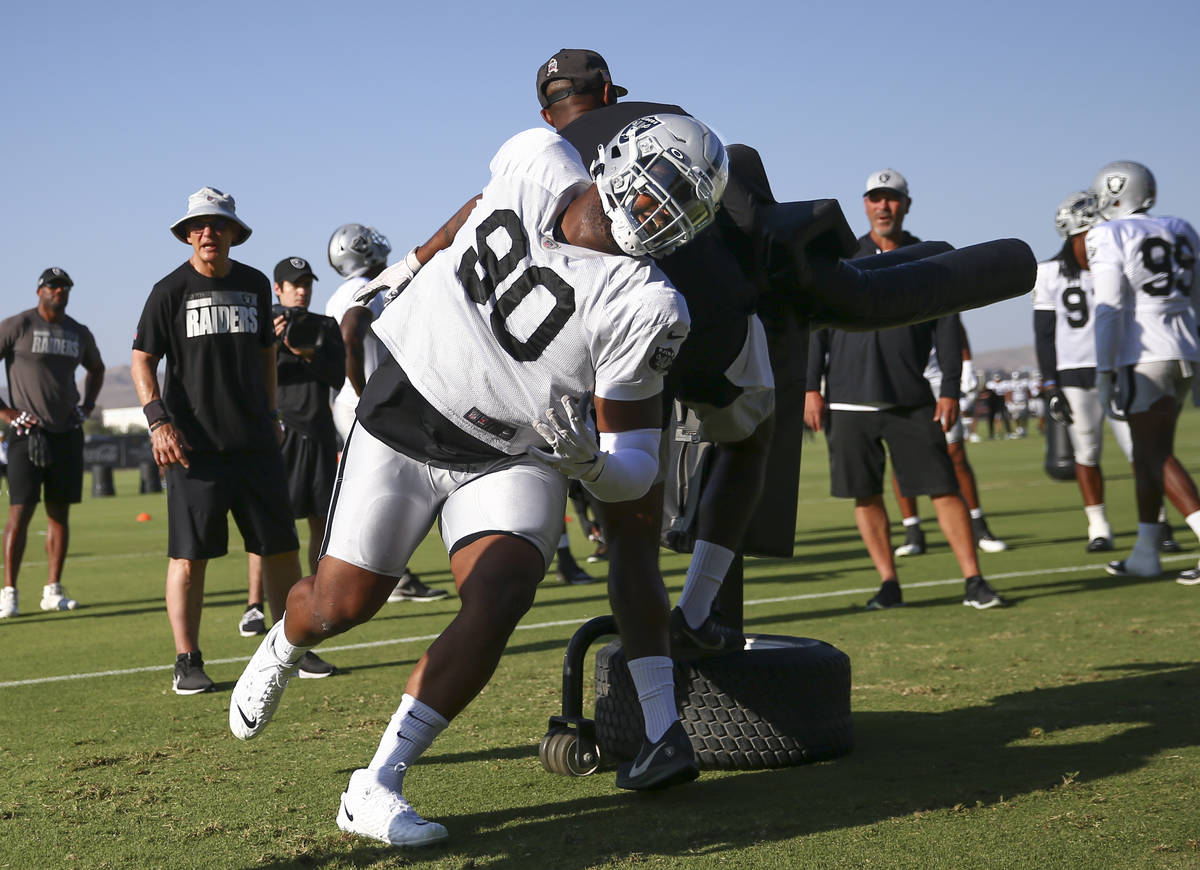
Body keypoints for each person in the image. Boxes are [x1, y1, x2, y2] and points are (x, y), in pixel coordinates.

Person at [229, 113, 729, 846]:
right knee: (338, 605)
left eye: (684, 208)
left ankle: (376, 783)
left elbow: (639, 468)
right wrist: (412, 263)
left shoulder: (647, 303)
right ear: (619, 164)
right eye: (660, 191)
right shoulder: (537, 156)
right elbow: (478, 203)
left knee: (503, 592)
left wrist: (590, 464)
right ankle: (284, 643)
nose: (665, 217)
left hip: (514, 449)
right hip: (407, 409)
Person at [131, 187, 336, 693]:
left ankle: (292, 649)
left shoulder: (251, 284)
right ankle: (187, 661)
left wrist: (270, 411)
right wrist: (158, 421)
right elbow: (141, 358)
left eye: (218, 225)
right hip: (194, 450)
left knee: (280, 548)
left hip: (256, 444)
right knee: (189, 557)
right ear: (186, 235)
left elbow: (267, 351)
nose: (208, 233)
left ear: (233, 234)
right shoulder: (168, 291)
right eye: (199, 226)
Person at [805, 168, 1008, 611]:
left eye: (892, 198)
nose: (884, 206)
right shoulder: (840, 255)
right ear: (864, 204)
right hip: (845, 398)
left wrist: (951, 389)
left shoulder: (926, 257)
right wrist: (809, 389)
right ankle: (888, 584)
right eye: (876, 198)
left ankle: (974, 580)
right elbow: (815, 325)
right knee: (866, 493)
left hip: (910, 397)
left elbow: (949, 325)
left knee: (944, 488)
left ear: (906, 205)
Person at [1086, 161, 1200, 584]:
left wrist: (1104, 370)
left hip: (1144, 353)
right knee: (1149, 456)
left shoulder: (1107, 233)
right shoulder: (1181, 227)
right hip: (1187, 346)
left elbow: (1109, 309)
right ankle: (1146, 551)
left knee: (1153, 454)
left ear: (1114, 192)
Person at [324, 224, 448, 604]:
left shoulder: (336, 294)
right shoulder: (369, 286)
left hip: (348, 403)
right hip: (364, 405)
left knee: (381, 491)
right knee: (397, 491)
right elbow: (349, 333)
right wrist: (364, 393)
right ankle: (385, 577)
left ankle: (393, 576)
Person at [240, 257, 346, 640]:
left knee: (320, 521)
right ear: (278, 288)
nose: (301, 290)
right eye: (293, 284)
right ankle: (254, 606)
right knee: (267, 525)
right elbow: (246, 373)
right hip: (278, 438)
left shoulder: (324, 326)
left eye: (306, 284)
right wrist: (268, 339)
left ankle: (315, 599)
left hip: (317, 436)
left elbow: (338, 376)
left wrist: (306, 353)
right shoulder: (260, 324)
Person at [0, 267, 104, 619]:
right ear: (39, 291)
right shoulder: (19, 325)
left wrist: (86, 407)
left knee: (59, 513)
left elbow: (97, 368)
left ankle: (52, 590)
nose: (59, 291)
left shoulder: (78, 331)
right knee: (20, 513)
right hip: (26, 435)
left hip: (66, 433)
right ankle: (9, 592)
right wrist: (7, 412)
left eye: (64, 287)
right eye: (53, 286)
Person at [890, 321, 1009, 557]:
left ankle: (979, 527)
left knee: (955, 453)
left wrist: (966, 363)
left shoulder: (930, 285)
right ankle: (912, 531)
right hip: (898, 376)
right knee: (900, 456)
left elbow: (952, 323)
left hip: (936, 378)